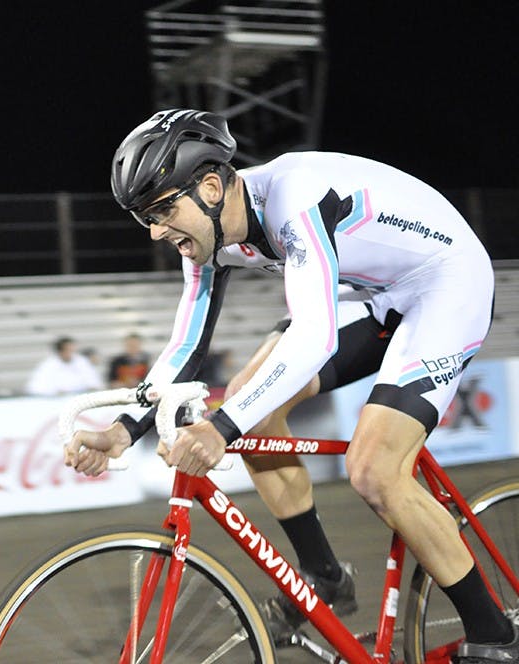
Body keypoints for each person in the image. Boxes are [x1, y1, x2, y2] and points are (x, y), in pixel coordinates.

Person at [65, 109, 512, 660]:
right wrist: (123, 430)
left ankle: (495, 635)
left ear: (209, 187)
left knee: (373, 469)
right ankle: (324, 576)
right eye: (144, 219)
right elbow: (187, 347)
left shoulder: (293, 199)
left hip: (447, 283)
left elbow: (315, 337)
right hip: (375, 294)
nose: (156, 232)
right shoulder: (208, 239)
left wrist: (222, 428)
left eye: (161, 212)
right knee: (252, 395)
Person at [26, 336, 104, 397]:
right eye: (68, 350)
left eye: (73, 349)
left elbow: (94, 383)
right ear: (60, 351)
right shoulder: (48, 366)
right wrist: (56, 392)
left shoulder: (81, 362)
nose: (72, 352)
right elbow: (36, 388)